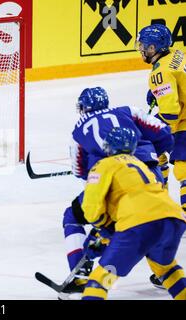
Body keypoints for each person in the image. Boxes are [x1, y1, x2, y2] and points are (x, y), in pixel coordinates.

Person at [61, 86, 174, 298]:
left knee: (72, 217)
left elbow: (80, 171)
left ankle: (80, 275)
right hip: (150, 176)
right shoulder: (128, 111)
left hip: (111, 183)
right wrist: (153, 157)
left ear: (83, 107)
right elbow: (164, 133)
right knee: (149, 221)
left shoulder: (78, 130)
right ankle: (164, 272)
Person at [77, 127, 186, 300]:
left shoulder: (102, 165)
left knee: (101, 278)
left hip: (139, 224)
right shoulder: (140, 164)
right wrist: (107, 237)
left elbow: (91, 207)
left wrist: (102, 230)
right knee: (166, 269)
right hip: (173, 218)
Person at [136, 24, 186, 211]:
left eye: (143, 46)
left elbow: (171, 113)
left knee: (182, 167)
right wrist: (158, 91)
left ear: (153, 48)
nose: (140, 49)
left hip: (181, 118)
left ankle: (159, 202)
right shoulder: (175, 53)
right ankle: (160, 198)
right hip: (183, 113)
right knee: (154, 149)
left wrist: (154, 130)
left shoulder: (160, 73)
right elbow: (176, 77)